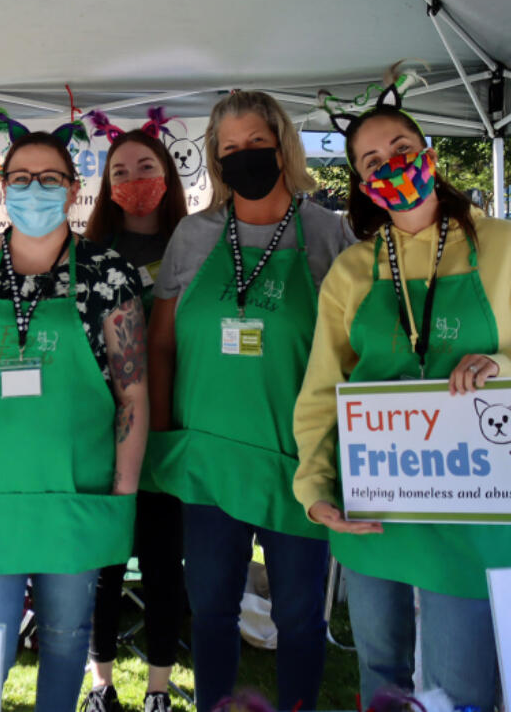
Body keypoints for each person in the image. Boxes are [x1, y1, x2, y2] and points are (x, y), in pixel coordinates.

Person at [292, 82, 511, 709]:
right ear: (362, 183)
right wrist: (315, 491)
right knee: (381, 674)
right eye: (372, 161)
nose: (390, 164)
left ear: (427, 150)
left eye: (400, 146)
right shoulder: (351, 271)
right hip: (375, 498)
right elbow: (322, 391)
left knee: (463, 683)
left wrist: (507, 365)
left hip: (473, 501)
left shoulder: (506, 245)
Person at [0, 120, 147, 710]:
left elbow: (133, 394)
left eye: (49, 178)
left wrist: (121, 493)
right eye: (21, 178)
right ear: (0, 187)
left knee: (68, 637)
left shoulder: (107, 272)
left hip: (74, 497)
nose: (34, 189)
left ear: (74, 189)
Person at [147, 90, 355, 712]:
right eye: (229, 148)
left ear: (282, 146)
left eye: (256, 145)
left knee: (299, 617)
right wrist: (164, 438)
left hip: (300, 461)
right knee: (210, 613)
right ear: (214, 158)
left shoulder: (327, 234)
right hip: (208, 459)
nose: (244, 157)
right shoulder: (193, 235)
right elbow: (160, 343)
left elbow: (355, 350)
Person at [80, 118, 189, 712]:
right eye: (119, 171)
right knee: (106, 560)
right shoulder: (92, 254)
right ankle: (102, 686)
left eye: (146, 167)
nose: (134, 179)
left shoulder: (191, 243)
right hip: (104, 430)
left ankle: (158, 690)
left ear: (168, 175)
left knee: (164, 560)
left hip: (169, 425)